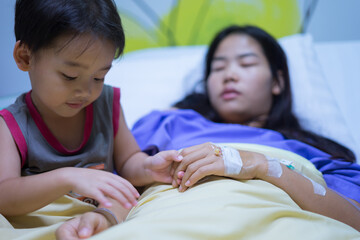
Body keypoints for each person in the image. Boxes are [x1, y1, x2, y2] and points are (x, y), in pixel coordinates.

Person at [56, 25, 360, 239]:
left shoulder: (316, 152)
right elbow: (124, 181)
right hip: (168, 224)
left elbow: (354, 220)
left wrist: (262, 165)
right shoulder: (169, 123)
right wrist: (106, 217)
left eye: (246, 63)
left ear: (277, 82)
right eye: (217, 67)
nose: (229, 74)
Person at [0, 0, 182, 224]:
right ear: (25, 57)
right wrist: (67, 177)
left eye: (99, 77)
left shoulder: (106, 103)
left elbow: (128, 161)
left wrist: (148, 166)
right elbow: (4, 194)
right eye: (70, 76)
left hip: (100, 218)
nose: (85, 92)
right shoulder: (11, 126)